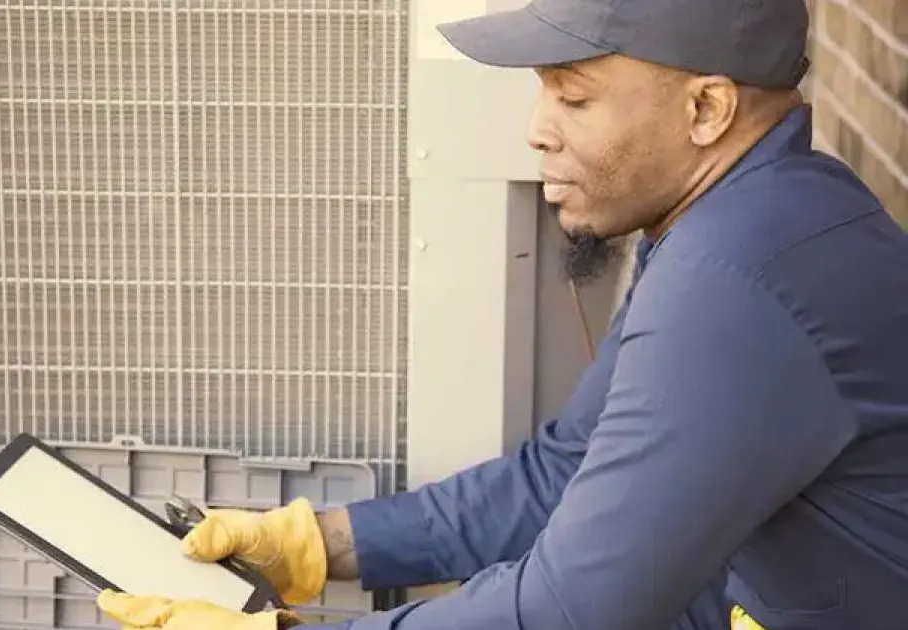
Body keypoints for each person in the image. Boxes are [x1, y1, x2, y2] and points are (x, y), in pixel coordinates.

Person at [95, 0, 908, 628]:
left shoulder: (738, 281)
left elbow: (572, 612)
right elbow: (563, 471)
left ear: (706, 110)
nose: (536, 132)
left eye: (574, 97)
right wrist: (317, 543)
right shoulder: (743, 217)